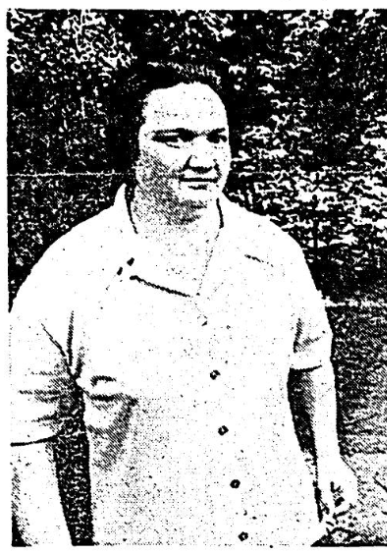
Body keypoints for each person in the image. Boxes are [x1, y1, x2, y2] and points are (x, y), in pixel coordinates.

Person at [10, 61, 358, 546]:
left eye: (217, 138)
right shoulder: (68, 273)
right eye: (175, 138)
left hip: (285, 534)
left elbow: (312, 360)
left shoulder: (274, 252)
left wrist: (328, 455)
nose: (204, 159)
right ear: (128, 149)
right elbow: (22, 438)